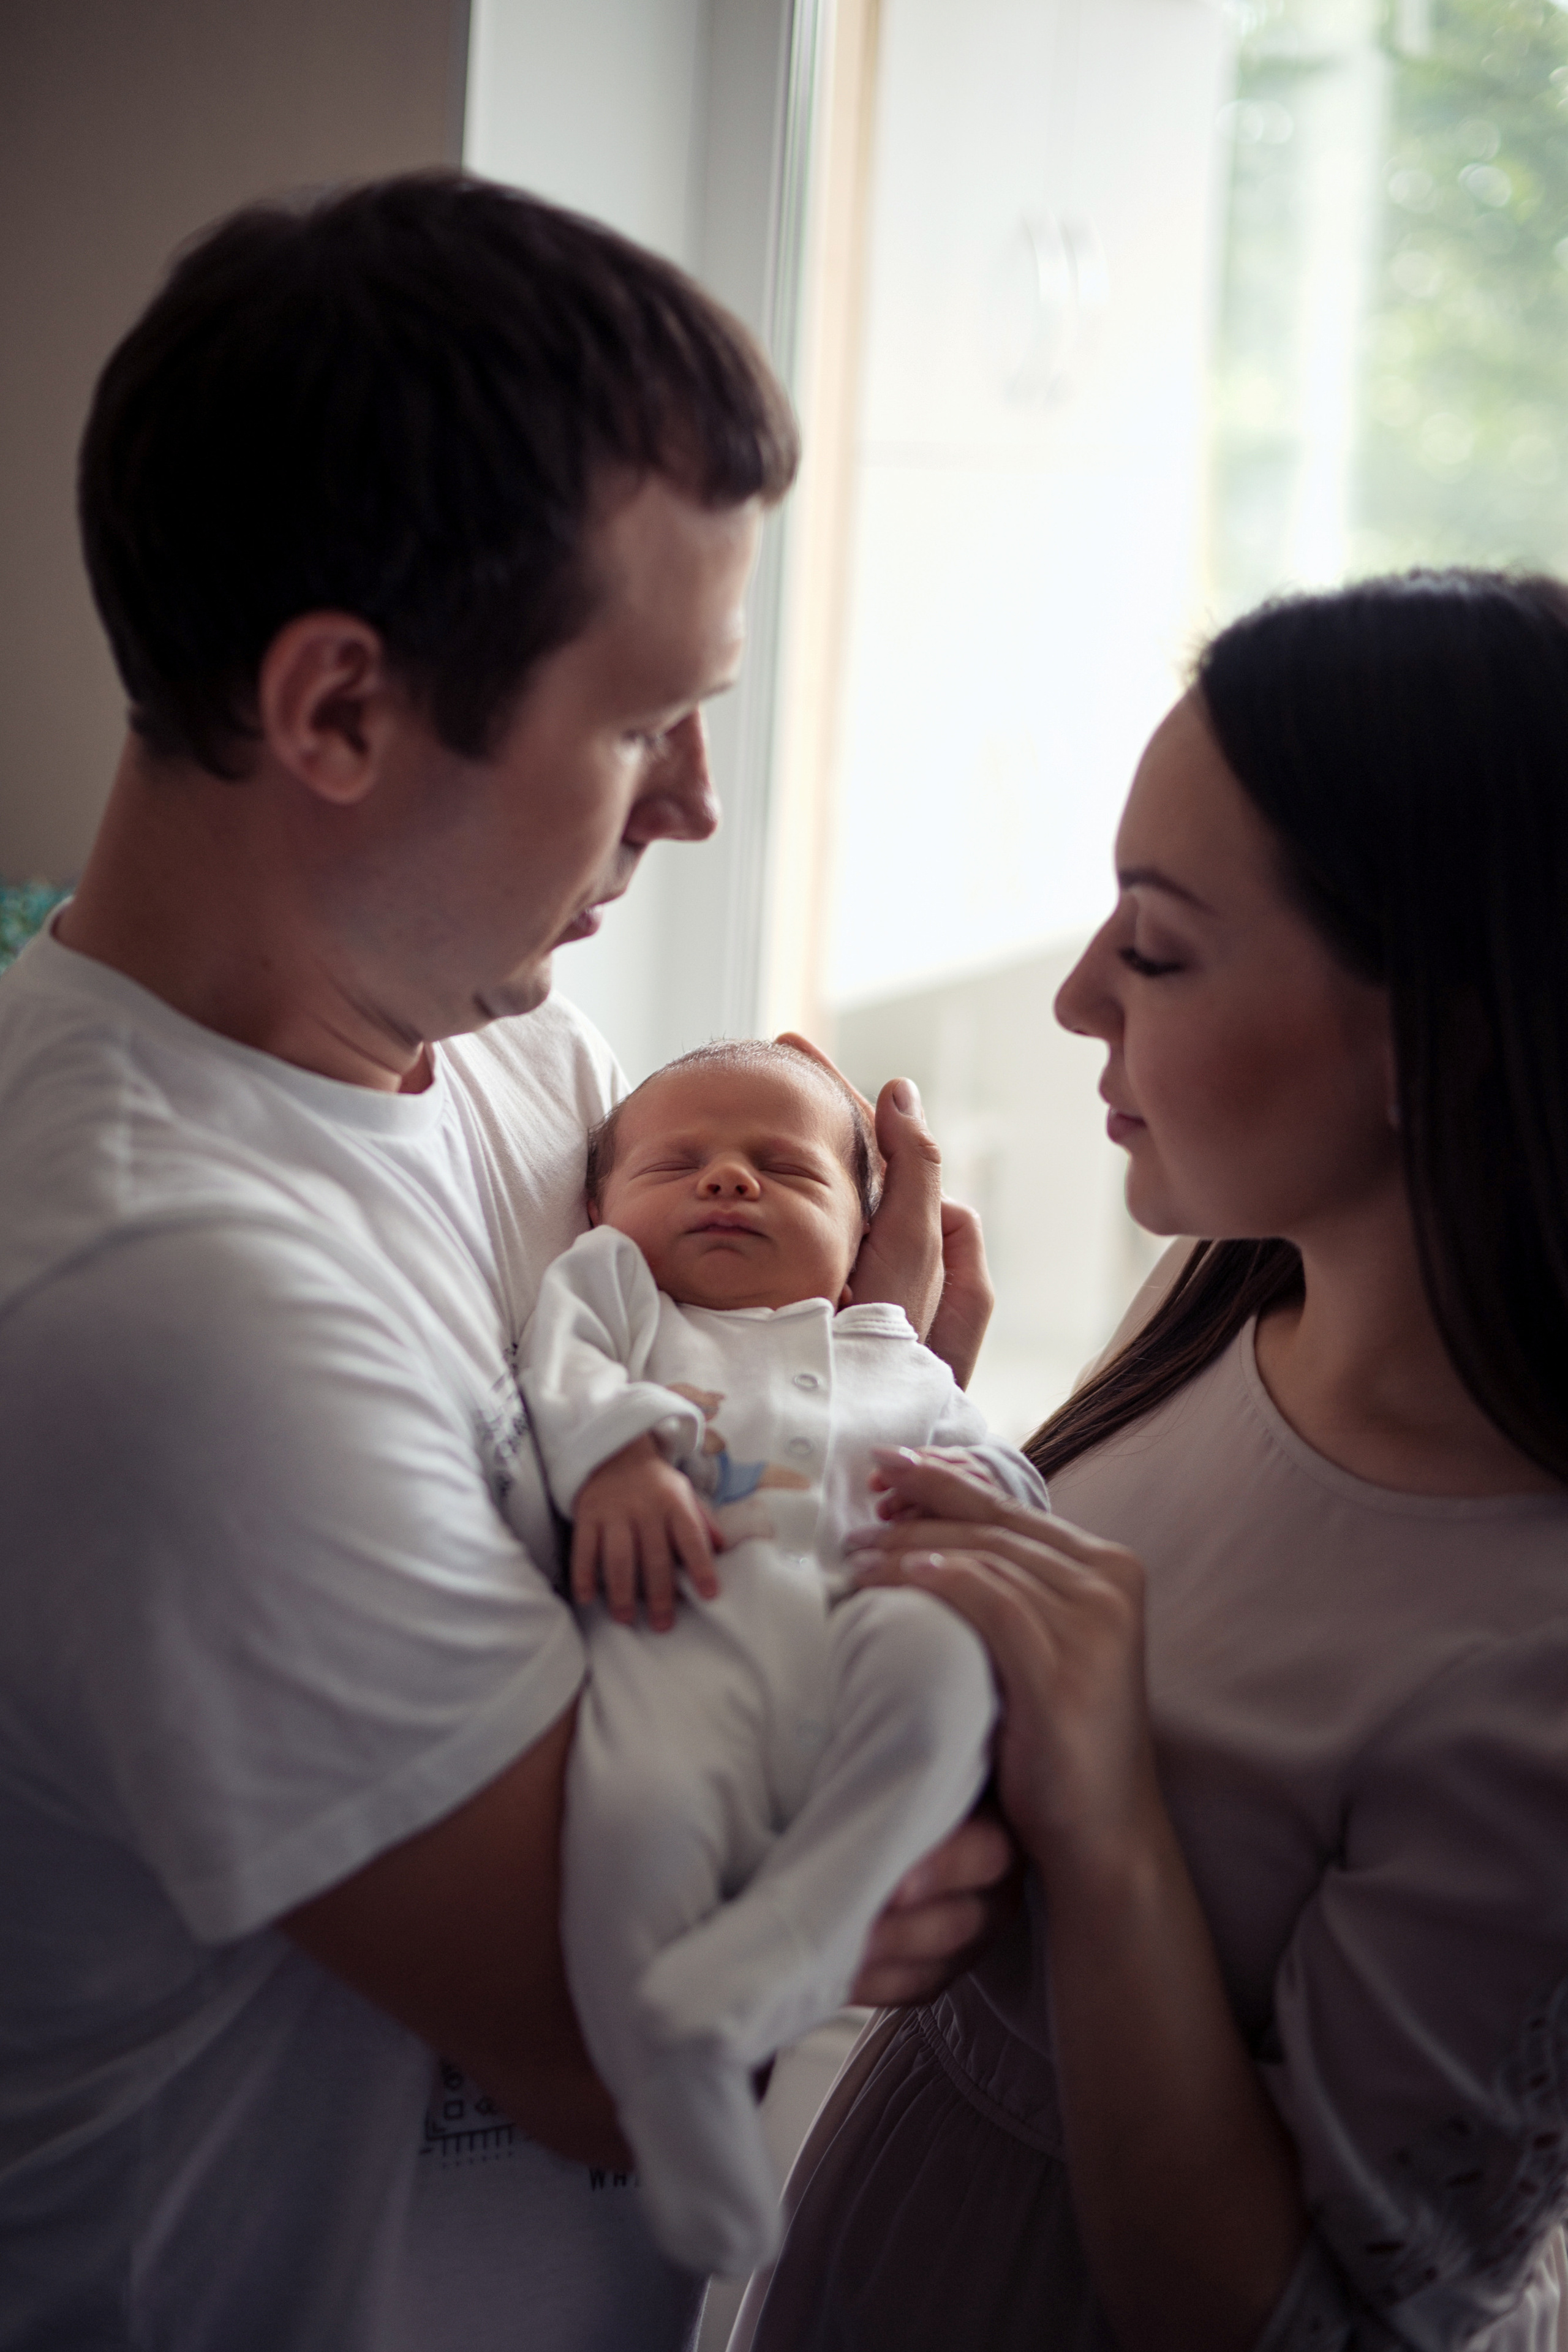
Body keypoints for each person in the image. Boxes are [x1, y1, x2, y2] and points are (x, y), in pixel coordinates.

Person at [0, 174, 1011, 2352]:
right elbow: (613, 2043)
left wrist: (845, 1405)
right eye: (646, 722)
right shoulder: (156, 1295)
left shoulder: (525, 1061)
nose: (699, 811)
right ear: (340, 711)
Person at [736, 569, 1568, 2352]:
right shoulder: (1222, 1314)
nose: (1071, 1003)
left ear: (1450, 1032)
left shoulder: (1533, 1661)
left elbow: (1281, 2322)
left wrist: (1100, 1817)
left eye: (1160, 947)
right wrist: (888, 1430)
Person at [521, 1038, 1049, 2276]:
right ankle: (677, 2086)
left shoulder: (894, 1358)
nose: (727, 1185)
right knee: (633, 1812)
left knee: (937, 1665)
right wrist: (611, 1462)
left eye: (782, 1171)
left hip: (856, 1646)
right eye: (677, 1163)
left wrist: (982, 1496)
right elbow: (561, 1364)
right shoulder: (621, 1296)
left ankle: (796, 1936)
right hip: (681, 1629)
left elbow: (1006, 1475)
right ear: (597, 1208)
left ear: (862, 1228)